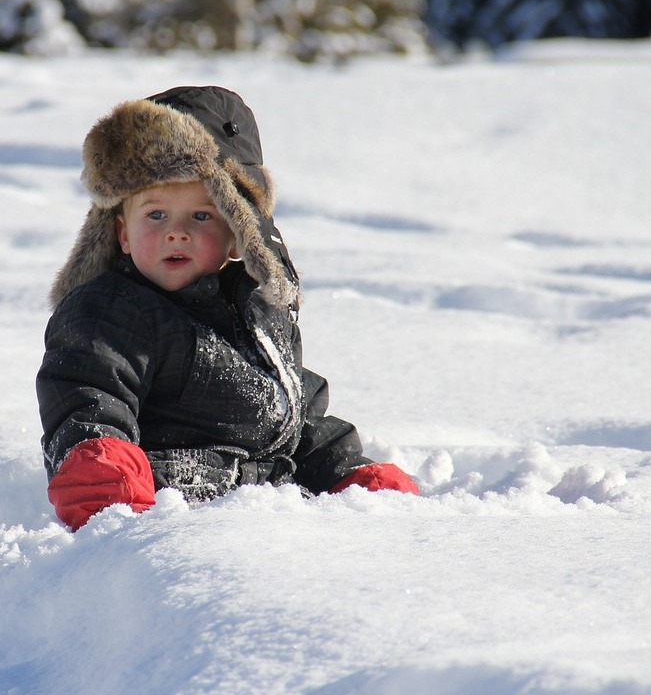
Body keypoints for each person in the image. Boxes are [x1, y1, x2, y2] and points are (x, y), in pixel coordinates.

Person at [36, 85, 418, 531]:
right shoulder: (110, 313)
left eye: (201, 216)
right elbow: (88, 398)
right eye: (156, 215)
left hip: (270, 517)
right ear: (122, 233)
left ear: (240, 230)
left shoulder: (261, 314)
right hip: (171, 518)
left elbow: (297, 427)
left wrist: (349, 478)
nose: (176, 233)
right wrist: (103, 475)